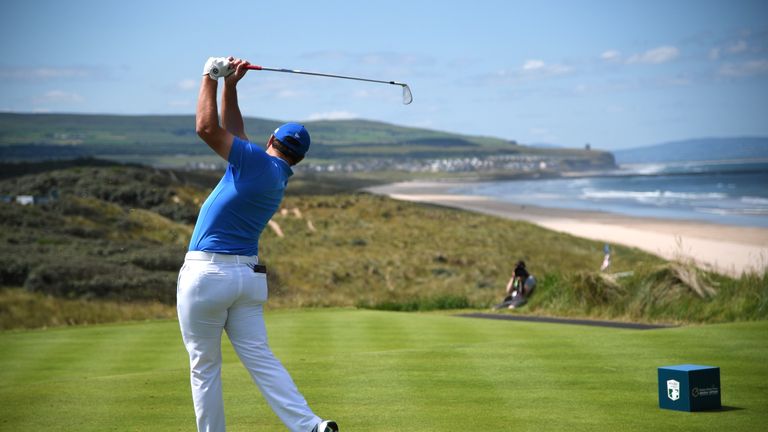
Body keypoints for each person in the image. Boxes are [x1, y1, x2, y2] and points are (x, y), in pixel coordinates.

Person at [176, 57, 338, 432]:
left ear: (271, 141)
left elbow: (206, 128)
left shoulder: (253, 162)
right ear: (298, 157)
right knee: (261, 359)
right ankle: (310, 426)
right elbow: (234, 135)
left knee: (204, 366)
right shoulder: (273, 172)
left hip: (207, 275)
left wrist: (209, 75)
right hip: (246, 280)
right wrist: (231, 85)